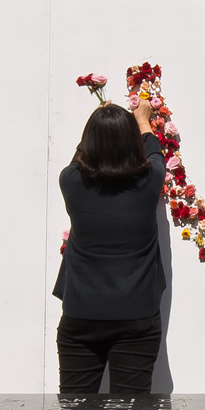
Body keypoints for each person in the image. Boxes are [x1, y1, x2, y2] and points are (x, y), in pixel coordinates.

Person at [54, 100, 167, 392]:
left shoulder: (70, 181)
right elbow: (156, 154)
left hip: (80, 314)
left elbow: (79, 158)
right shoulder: (150, 179)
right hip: (137, 315)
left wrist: (100, 126)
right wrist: (142, 120)